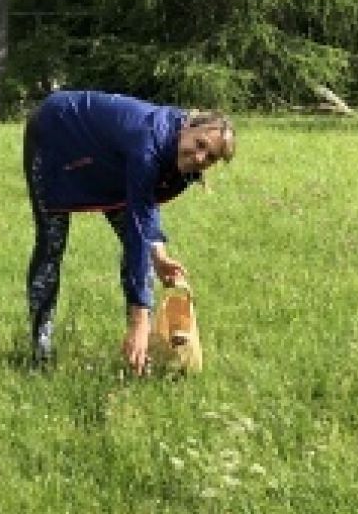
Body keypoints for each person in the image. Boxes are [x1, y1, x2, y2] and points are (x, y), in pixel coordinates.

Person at [23, 90, 235, 373]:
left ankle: (137, 354)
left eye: (209, 157)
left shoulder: (183, 163)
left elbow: (143, 207)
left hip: (109, 162)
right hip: (57, 132)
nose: (199, 157)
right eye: (199, 144)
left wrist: (158, 254)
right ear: (188, 126)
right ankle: (41, 351)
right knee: (51, 244)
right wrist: (140, 318)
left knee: (143, 256)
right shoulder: (147, 143)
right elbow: (138, 226)